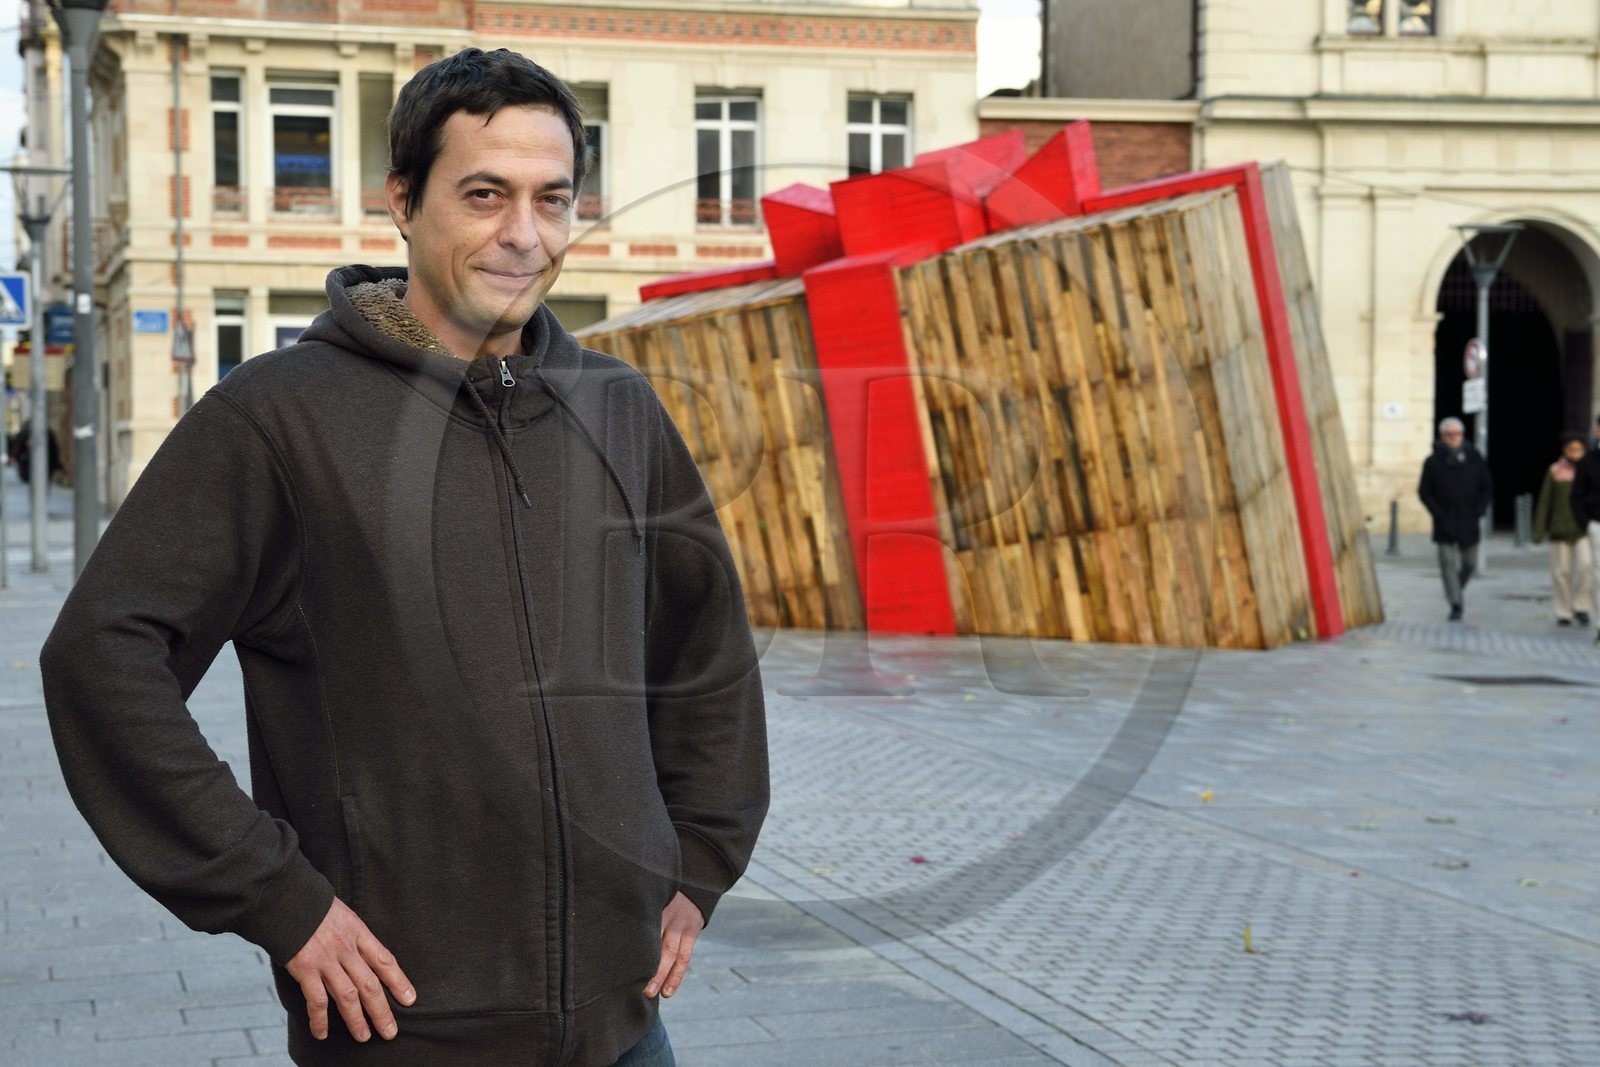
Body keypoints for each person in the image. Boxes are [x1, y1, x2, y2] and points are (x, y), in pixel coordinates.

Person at [41, 48, 768, 1066]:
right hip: (402, 1027)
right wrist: (277, 895)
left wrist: (699, 858)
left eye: (552, 199)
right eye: (484, 194)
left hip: (624, 1025)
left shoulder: (619, 410)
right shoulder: (280, 416)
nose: (524, 233)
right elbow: (101, 655)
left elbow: (708, 651)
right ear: (403, 200)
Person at [1418, 416, 1492, 621]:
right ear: (1442, 437)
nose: (1453, 437)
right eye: (1449, 434)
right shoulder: (1432, 462)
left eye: (1456, 433)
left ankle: (1454, 588)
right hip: (1445, 520)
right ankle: (1456, 603)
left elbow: (1486, 487)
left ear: (1462, 435)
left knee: (1470, 563)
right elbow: (1425, 492)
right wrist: (1438, 513)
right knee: (1447, 563)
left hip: (1469, 519)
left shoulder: (1474, 457)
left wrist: (1479, 510)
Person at [1532, 433, 1592, 627]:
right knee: (1561, 571)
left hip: (1584, 528)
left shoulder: (1590, 470)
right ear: (1564, 450)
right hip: (1560, 528)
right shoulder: (1555, 471)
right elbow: (1544, 502)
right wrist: (1539, 530)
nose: (1575, 453)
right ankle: (1563, 610)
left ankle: (1582, 606)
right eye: (1571, 449)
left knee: (1586, 567)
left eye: (1578, 450)